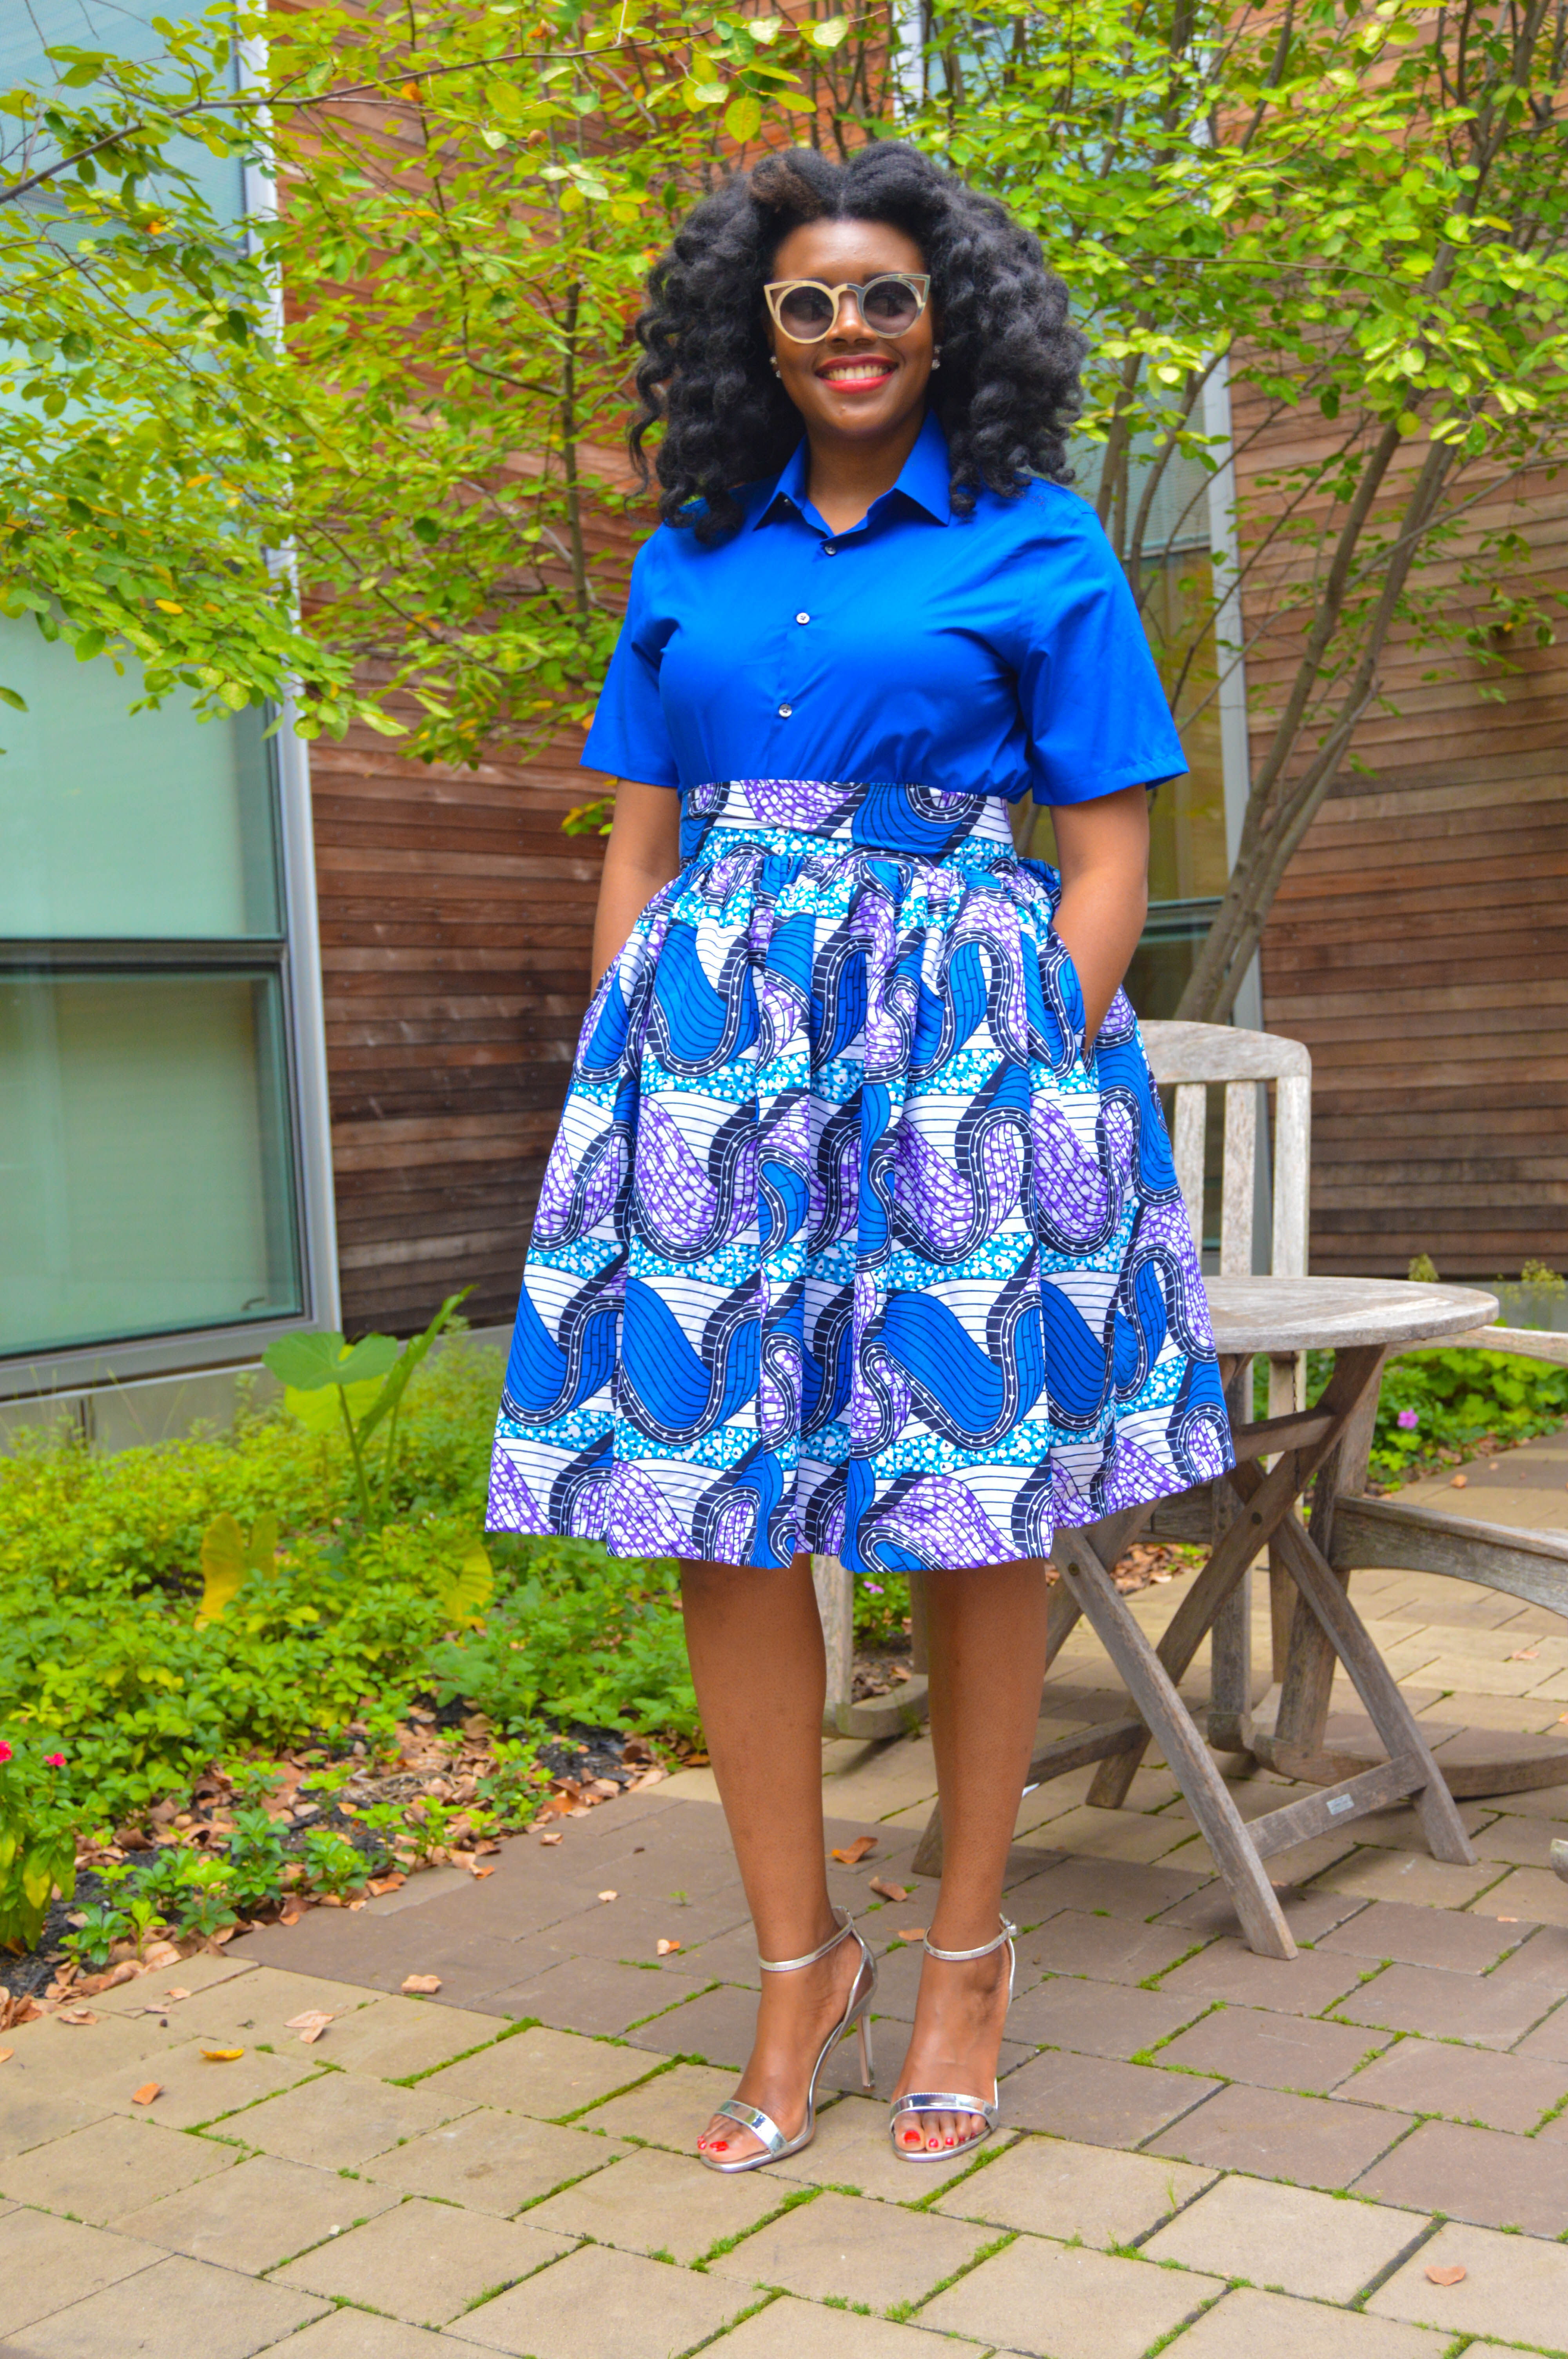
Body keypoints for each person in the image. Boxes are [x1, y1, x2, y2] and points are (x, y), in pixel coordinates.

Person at [488, 142, 1230, 2172]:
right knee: (724, 1514)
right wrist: (634, 1066)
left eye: (884, 299)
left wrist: (1024, 1075)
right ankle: (798, 1963)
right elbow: (641, 843)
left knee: (969, 1500)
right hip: (716, 1069)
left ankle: (971, 1953)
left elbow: (1110, 860)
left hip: (960, 1057)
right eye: (806, 302)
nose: (845, 335)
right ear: (759, 328)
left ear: (948, 320)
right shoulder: (694, 553)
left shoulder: (1037, 537)